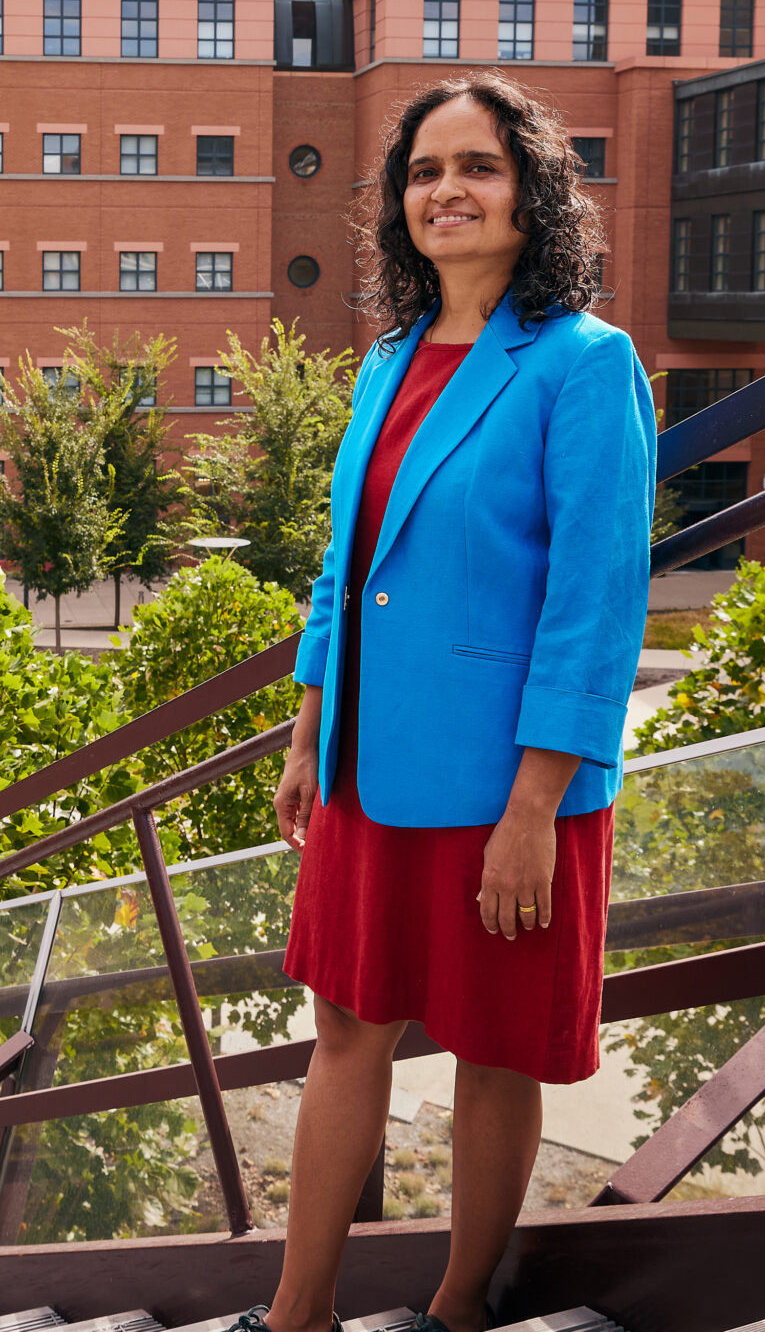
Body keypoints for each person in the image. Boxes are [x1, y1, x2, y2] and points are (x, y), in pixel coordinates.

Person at [242, 76, 653, 1332]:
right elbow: (343, 569)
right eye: (423, 172)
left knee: (493, 1052)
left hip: (505, 789)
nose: (445, 192)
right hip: (370, 767)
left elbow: (595, 600)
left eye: (475, 166)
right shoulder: (383, 361)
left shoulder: (586, 365)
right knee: (345, 1034)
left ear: (530, 192)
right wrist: (312, 730)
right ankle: (294, 1314)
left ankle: (460, 1305)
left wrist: (534, 806)